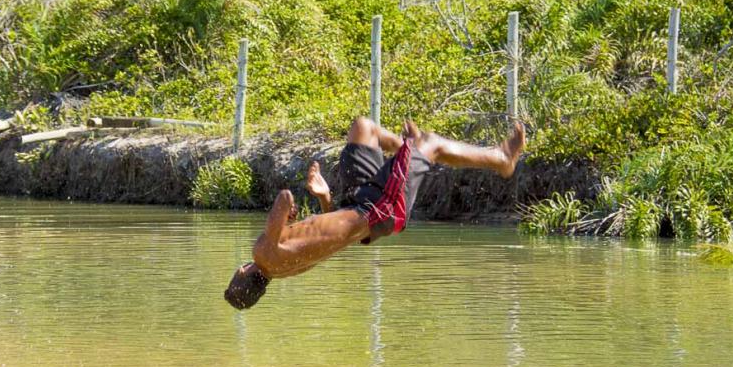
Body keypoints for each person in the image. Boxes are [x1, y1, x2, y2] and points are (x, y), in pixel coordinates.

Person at [224, 117, 526, 309]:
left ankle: (406, 151)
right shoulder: (262, 254)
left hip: (359, 207)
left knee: (363, 128)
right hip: (378, 207)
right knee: (431, 143)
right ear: (241, 272)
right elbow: (283, 201)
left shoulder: (288, 269)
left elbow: (333, 239)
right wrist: (285, 207)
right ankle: (500, 159)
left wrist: (325, 197)